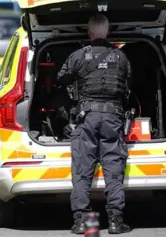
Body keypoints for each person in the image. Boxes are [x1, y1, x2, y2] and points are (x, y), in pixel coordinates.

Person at [57, 13, 132, 235]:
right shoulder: (121, 57)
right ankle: (116, 223)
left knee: (82, 170)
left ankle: (83, 223)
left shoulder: (78, 56)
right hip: (113, 118)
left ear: (89, 33)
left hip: (86, 117)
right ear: (108, 32)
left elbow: (61, 79)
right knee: (113, 168)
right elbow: (128, 88)